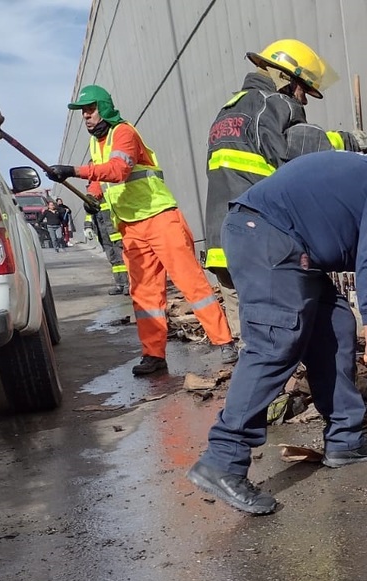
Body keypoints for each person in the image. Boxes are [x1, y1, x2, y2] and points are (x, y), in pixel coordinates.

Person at [187, 154, 367, 515]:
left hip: (288, 245)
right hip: (267, 236)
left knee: (335, 324)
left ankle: (345, 439)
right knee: (275, 344)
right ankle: (223, 459)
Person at [46, 84, 237, 375]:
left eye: (90, 110)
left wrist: (73, 171)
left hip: (161, 218)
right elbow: (101, 177)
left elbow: (119, 170)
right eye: (83, 112)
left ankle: (224, 342)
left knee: (191, 283)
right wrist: (93, 194)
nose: (86, 116)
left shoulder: (123, 133)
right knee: (144, 295)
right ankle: (154, 355)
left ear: (104, 108)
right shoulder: (97, 144)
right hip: (132, 227)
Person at [203, 39, 367, 341]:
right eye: (303, 89)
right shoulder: (274, 103)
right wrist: (348, 143)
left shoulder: (228, 112)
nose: (303, 100)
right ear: (286, 78)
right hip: (259, 243)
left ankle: (263, 387)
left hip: (223, 243)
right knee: (285, 335)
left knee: (252, 341)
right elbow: (296, 150)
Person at [93, 195, 129, 295]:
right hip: (104, 236)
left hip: (115, 234)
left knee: (122, 260)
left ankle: (127, 285)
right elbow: (90, 216)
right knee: (113, 262)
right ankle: (119, 284)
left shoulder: (108, 195)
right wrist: (88, 226)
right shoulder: (92, 199)